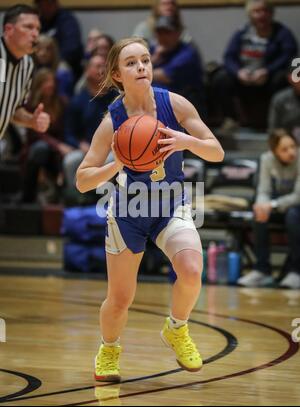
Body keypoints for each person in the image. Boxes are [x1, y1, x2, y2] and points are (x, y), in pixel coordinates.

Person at [76, 37, 224, 382]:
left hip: (170, 205)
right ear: (117, 74)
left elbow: (216, 152)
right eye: (131, 63)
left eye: (145, 60)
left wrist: (187, 141)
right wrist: (116, 164)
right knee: (120, 298)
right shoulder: (112, 121)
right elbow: (82, 180)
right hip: (129, 212)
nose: (141, 67)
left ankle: (177, 328)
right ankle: (109, 349)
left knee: (191, 269)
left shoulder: (174, 104)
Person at [212, 0, 298, 128]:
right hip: (244, 77)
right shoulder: (242, 32)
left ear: (271, 13)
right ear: (250, 14)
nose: (262, 15)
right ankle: (231, 120)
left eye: (265, 11)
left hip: (268, 77)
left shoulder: (282, 33)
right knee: (221, 78)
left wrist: (267, 71)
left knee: (281, 79)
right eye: (257, 11)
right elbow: (229, 57)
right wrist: (238, 72)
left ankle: (273, 124)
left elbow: (289, 56)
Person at [238, 129, 300, 289]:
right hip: (279, 205)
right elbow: (263, 191)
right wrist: (261, 206)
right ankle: (262, 270)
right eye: (285, 149)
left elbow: (298, 196)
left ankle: (296, 271)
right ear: (274, 151)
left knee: (293, 216)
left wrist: (271, 205)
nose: (291, 152)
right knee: (258, 215)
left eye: (293, 146)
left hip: (296, 207)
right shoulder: (266, 159)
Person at [63, 55, 117, 193]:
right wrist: (79, 145)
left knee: (110, 160)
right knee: (70, 161)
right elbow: (68, 133)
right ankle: (77, 199)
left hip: (112, 148)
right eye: (97, 66)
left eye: (104, 66)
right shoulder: (77, 101)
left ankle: (105, 200)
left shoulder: (116, 99)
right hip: (85, 149)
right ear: (87, 71)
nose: (102, 70)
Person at [0, 4, 50, 142]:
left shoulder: (27, 64)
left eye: (38, 29)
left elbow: (12, 109)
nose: (35, 34)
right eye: (28, 27)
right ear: (9, 29)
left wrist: (31, 121)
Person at [22, 68, 68, 203]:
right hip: (36, 147)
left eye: (51, 81)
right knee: (40, 149)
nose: (50, 84)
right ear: (38, 85)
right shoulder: (30, 104)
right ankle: (29, 195)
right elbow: (35, 134)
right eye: (46, 81)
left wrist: (62, 146)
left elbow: (64, 130)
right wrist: (58, 146)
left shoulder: (61, 102)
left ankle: (61, 195)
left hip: (58, 148)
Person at [150, 16, 205, 116]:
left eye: (167, 32)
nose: (162, 36)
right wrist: (154, 58)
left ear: (178, 33)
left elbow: (165, 76)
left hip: (185, 104)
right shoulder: (154, 50)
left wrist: (140, 74)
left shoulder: (188, 53)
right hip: (157, 102)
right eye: (159, 32)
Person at [34, 0, 84, 80]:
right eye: (41, 5)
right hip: (39, 67)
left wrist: (55, 61)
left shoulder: (67, 20)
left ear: (55, 4)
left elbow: (72, 48)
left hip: (62, 65)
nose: (45, 8)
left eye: (49, 4)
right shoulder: (36, 21)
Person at [33, 34, 74, 100]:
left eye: (48, 49)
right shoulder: (29, 67)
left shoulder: (62, 72)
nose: (43, 53)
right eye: (39, 48)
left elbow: (63, 100)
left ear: (54, 51)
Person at [268, 63, 300, 144]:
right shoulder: (280, 99)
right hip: (287, 145)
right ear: (290, 78)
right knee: (267, 156)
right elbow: (273, 129)